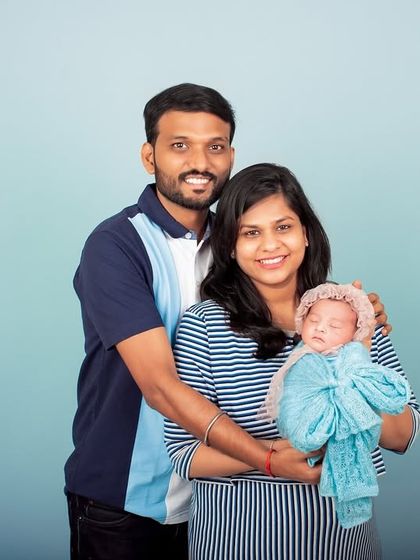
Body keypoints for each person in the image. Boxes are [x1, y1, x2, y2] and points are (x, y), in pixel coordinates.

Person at [65, 83, 390, 559]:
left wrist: (353, 314)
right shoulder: (116, 246)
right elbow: (160, 387)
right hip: (127, 498)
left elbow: (298, 311)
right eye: (180, 145)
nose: (200, 162)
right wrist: (267, 458)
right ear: (148, 155)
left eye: (214, 147)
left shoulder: (243, 238)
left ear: (231, 155)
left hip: (218, 506)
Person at [164, 163, 419, 560]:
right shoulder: (204, 327)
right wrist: (270, 458)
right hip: (237, 543)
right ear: (230, 246)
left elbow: (402, 436)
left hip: (345, 543)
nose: (270, 245)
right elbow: (184, 453)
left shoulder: (352, 313)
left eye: (283, 227)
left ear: (307, 235)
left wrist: (357, 360)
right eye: (251, 233)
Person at [262, 282, 411, 529]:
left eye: (334, 326)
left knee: (348, 437)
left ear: (355, 332)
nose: (321, 329)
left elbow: (403, 431)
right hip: (265, 516)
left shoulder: (358, 347)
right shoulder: (301, 355)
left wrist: (360, 354)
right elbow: (294, 395)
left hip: (345, 540)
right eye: (314, 321)